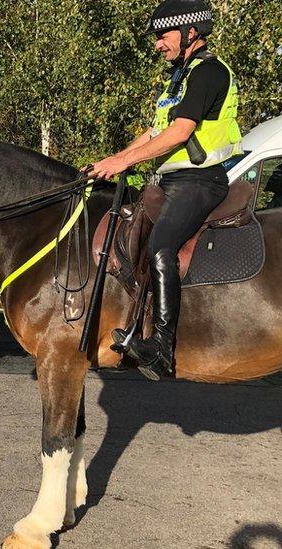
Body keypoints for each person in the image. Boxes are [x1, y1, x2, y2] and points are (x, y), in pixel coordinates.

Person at [90, 0, 241, 381]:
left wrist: (125, 163)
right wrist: (113, 158)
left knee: (161, 247)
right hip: (173, 181)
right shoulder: (180, 77)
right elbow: (156, 131)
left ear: (190, 34)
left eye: (163, 35)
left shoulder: (209, 72)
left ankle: (160, 348)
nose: (158, 44)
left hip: (201, 181)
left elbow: (180, 131)